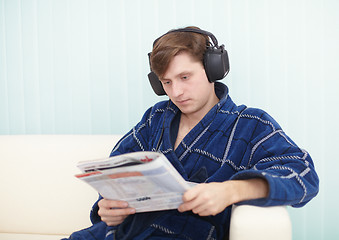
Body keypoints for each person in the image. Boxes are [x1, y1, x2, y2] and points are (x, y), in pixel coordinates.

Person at [64, 26, 319, 240]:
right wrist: (109, 208)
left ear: (212, 68)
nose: (176, 92)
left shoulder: (251, 123)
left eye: (185, 77)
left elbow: (304, 174)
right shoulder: (155, 119)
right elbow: (115, 174)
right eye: (167, 82)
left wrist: (232, 191)